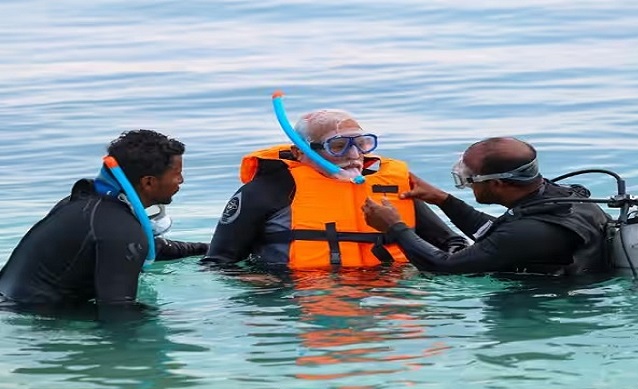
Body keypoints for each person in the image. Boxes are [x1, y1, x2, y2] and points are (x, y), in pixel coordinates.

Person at [203, 109, 467, 270]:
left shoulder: (389, 188)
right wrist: (263, 288)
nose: (355, 155)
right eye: (338, 146)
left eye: (362, 144)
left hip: (388, 294)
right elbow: (218, 263)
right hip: (296, 298)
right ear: (300, 151)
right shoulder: (266, 191)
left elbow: (453, 242)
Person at [0, 129, 208, 315]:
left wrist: (205, 249)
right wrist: (186, 319)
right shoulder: (121, 228)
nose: (181, 181)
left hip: (10, 302)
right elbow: (118, 312)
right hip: (30, 318)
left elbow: (138, 247)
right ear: (148, 182)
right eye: (177, 174)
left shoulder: (88, 206)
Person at [362, 136, 614, 276]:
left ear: (497, 184)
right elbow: (495, 234)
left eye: (468, 180)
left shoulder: (528, 231)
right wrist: (444, 200)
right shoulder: (563, 199)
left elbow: (444, 267)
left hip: (549, 309)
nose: (469, 186)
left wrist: (396, 228)